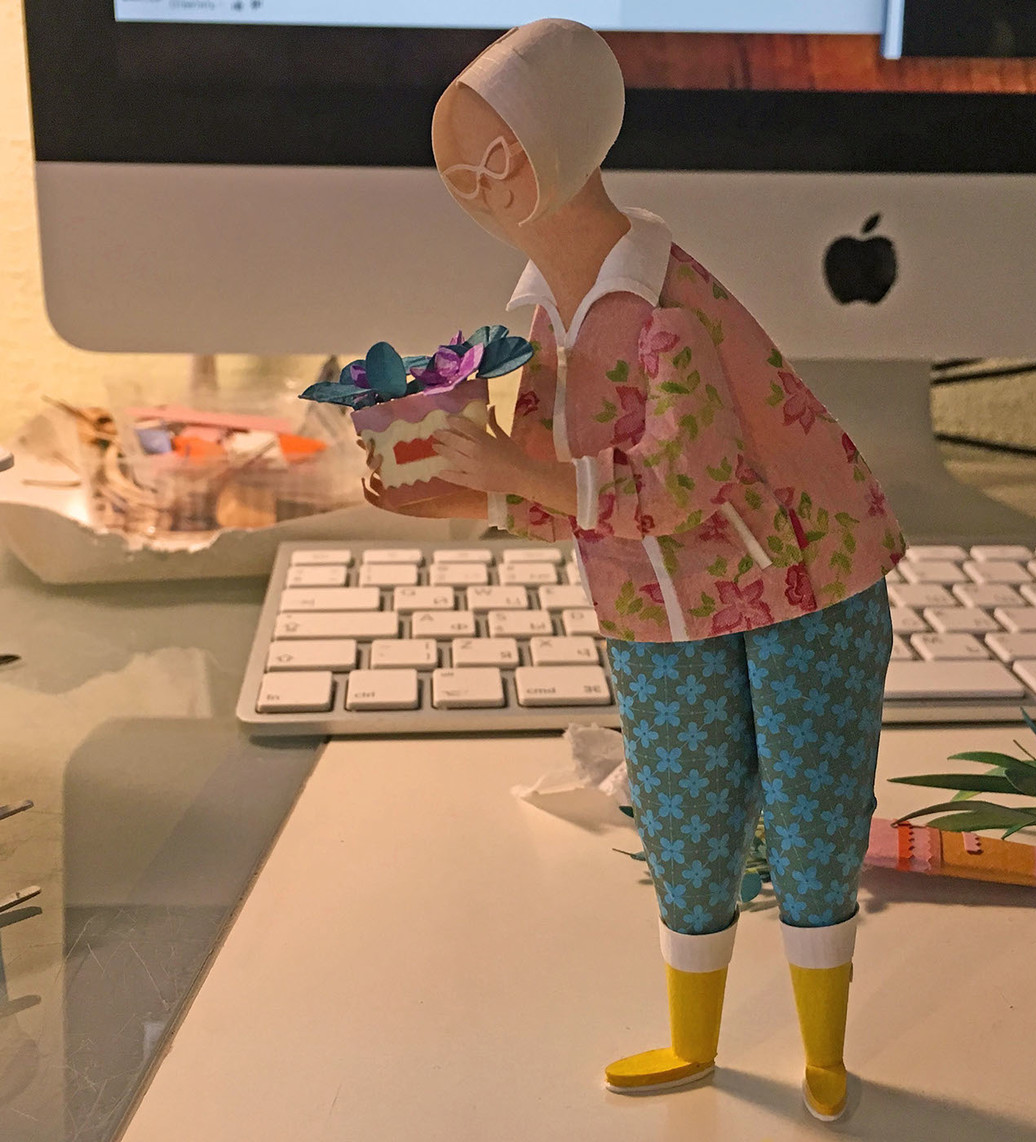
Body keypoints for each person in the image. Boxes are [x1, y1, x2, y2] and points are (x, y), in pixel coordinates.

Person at [364, 18, 906, 1123]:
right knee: (682, 819)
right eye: (460, 166)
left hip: (801, 581)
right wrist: (454, 488)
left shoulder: (660, 308)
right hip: (652, 606)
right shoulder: (540, 320)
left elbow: (685, 482)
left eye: (497, 156)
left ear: (563, 141)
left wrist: (515, 469)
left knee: (811, 820)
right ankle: (693, 1039)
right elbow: (561, 494)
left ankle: (822, 1050)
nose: (477, 186)